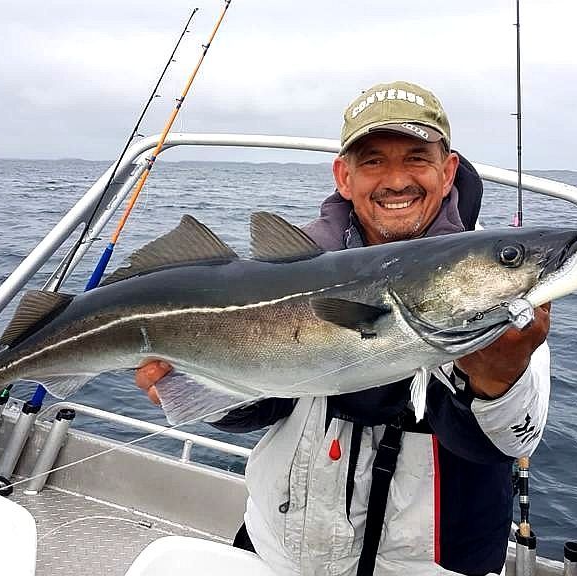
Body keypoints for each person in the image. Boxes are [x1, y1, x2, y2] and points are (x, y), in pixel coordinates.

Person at [136, 81, 551, 576]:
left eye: (417, 158)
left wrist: (498, 379)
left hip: (427, 565)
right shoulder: (295, 269)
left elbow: (513, 441)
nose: (396, 180)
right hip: (279, 548)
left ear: (448, 172)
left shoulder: (488, 277)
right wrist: (191, 386)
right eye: (373, 161)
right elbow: (261, 406)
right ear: (343, 176)